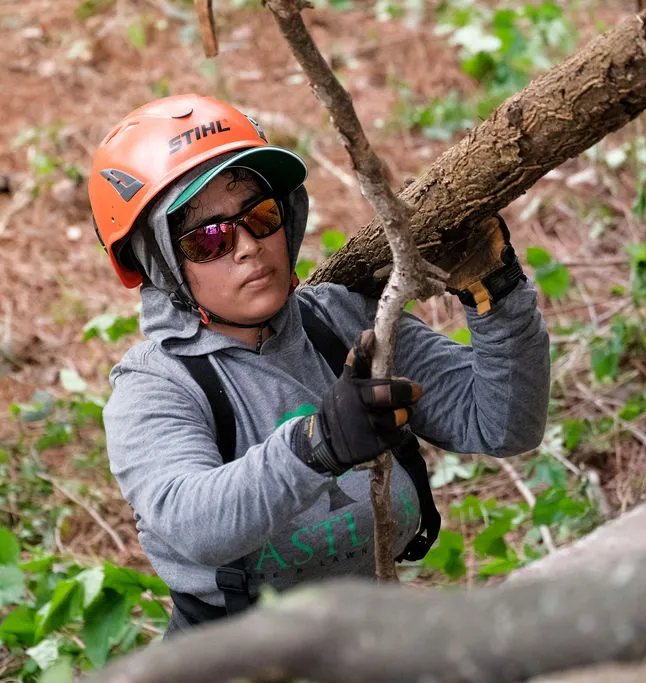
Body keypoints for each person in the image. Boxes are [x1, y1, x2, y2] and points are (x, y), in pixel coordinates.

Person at [88, 94, 550, 632]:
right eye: (208, 237)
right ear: (159, 264)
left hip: (371, 631)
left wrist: (495, 292)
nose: (246, 247)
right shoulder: (155, 386)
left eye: (259, 216)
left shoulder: (339, 321)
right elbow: (194, 526)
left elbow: (502, 424)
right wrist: (317, 444)